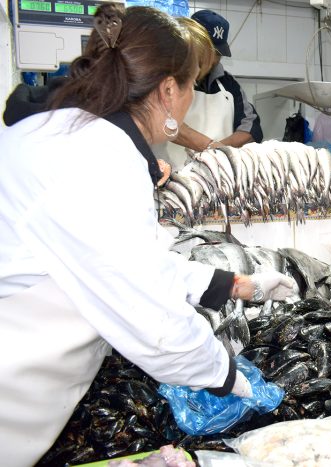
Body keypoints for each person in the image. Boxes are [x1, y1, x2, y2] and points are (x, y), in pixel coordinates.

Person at [0, 5, 295, 465]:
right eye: (191, 86)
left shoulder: (65, 132)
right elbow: (149, 319)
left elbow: (125, 263)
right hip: (13, 391)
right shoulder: (98, 159)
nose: (192, 99)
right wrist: (225, 375)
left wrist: (234, 285)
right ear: (168, 89)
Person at [154, 9, 264, 169]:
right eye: (208, 52)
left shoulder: (229, 85)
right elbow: (165, 122)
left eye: (218, 53)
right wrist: (213, 149)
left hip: (216, 179)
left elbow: (251, 127)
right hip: (172, 180)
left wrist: (218, 153)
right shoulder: (166, 76)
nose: (213, 59)